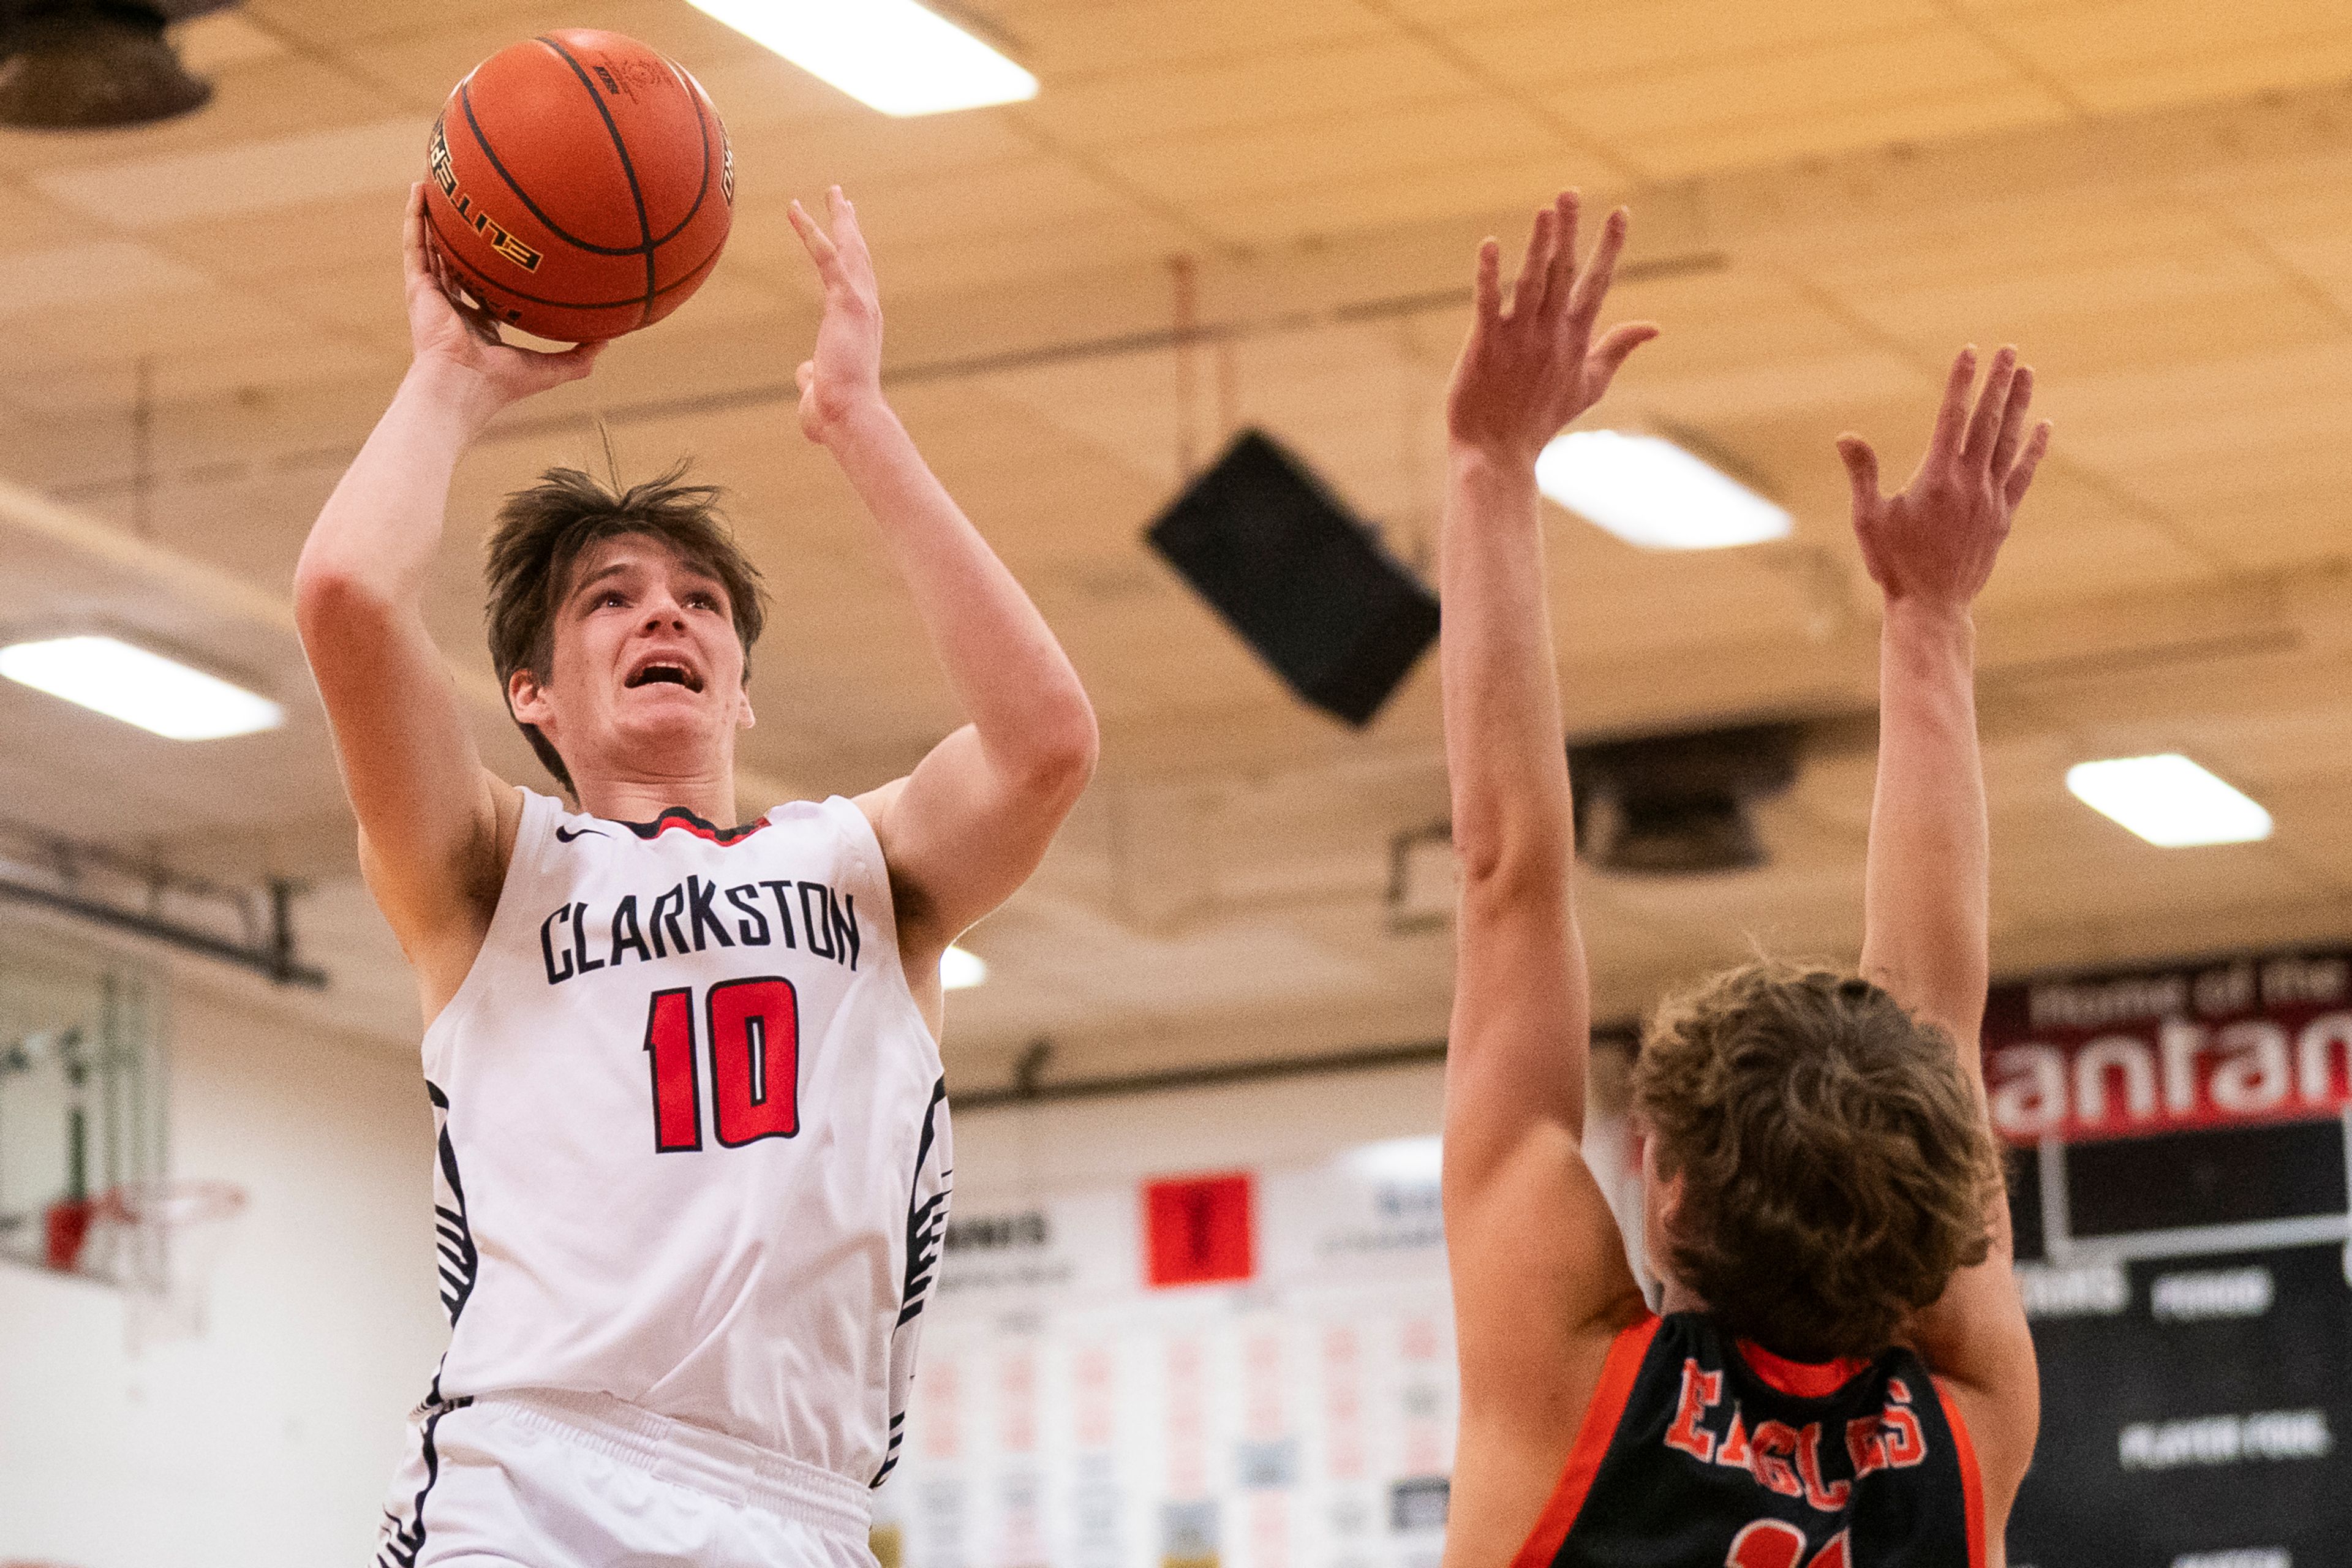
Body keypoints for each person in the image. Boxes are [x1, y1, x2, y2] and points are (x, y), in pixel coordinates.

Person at [296, 183, 1097, 1568]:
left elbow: (1047, 742)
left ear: (740, 692)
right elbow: (348, 601)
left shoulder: (866, 867)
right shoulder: (495, 868)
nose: (664, 608)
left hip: (799, 1502)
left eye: (700, 601)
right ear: (531, 690)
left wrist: (864, 424)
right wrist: (447, 381)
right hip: (535, 1475)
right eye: (610, 594)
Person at [1437, 190, 2050, 1567]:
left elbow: (1506, 871)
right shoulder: (1966, 1424)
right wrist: (1931, 624)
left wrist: (1493, 463)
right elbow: (1933, 1017)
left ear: (1668, 1193)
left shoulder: (1571, 1390)